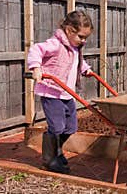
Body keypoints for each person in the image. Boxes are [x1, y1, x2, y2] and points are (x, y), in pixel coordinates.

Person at [27, 10, 93, 174]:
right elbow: (36, 49)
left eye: (86, 37)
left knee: (70, 128)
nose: (83, 41)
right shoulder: (55, 44)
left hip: (67, 94)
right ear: (69, 30)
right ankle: (49, 160)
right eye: (81, 37)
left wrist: (85, 69)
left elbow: (76, 62)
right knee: (56, 127)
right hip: (52, 93)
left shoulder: (75, 47)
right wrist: (36, 68)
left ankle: (57, 151)